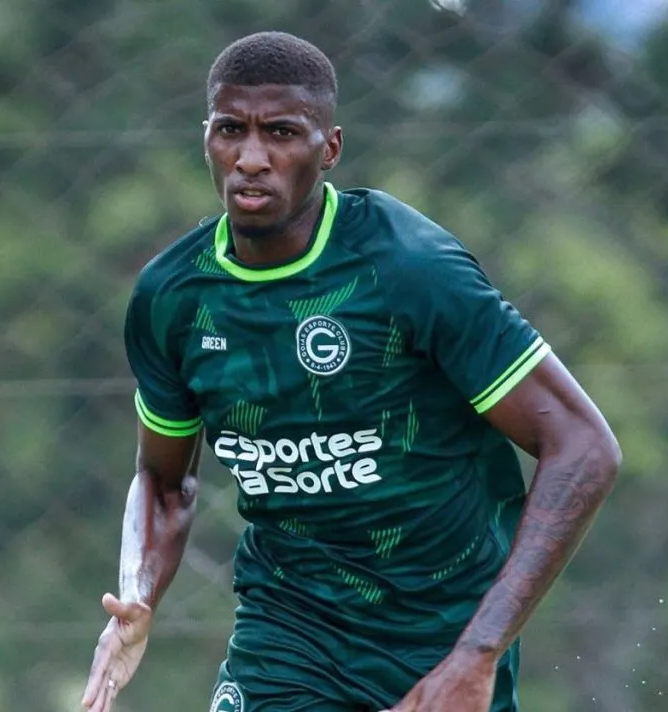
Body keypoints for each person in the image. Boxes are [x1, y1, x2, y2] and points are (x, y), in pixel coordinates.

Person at [80, 30, 621, 712]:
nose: (251, 158)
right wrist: (139, 593)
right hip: (286, 635)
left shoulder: (408, 267)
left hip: (442, 643)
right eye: (230, 130)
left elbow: (583, 445)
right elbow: (164, 481)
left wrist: (479, 653)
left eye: (281, 132)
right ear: (207, 140)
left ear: (329, 148)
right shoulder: (173, 296)